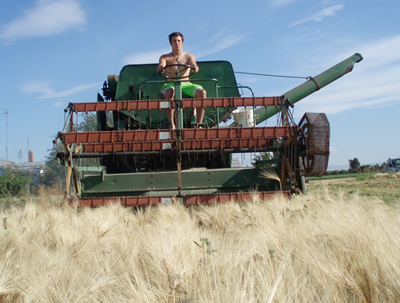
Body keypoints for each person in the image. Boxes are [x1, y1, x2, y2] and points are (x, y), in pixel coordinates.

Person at [157, 32, 206, 129]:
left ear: (182, 42)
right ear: (171, 43)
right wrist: (161, 67)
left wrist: (195, 68)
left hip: (186, 84)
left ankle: (199, 124)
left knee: (202, 92)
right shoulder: (164, 57)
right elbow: (160, 66)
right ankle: (172, 124)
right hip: (170, 84)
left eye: (179, 41)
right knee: (169, 91)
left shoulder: (188, 56)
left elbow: (194, 65)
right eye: (174, 41)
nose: (177, 43)